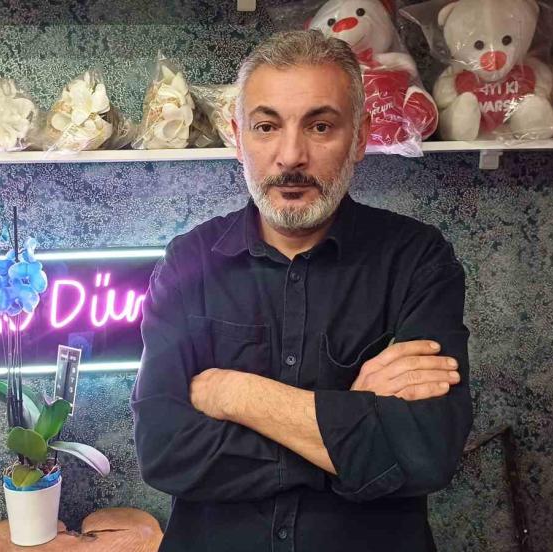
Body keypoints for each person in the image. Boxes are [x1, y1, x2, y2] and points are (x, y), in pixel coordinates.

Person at [130, 30, 472, 552]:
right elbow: (164, 450)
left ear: (360, 137)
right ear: (238, 137)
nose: (291, 156)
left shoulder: (417, 260)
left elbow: (425, 451)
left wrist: (235, 394)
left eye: (320, 126)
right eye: (267, 126)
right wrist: (351, 426)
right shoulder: (188, 262)